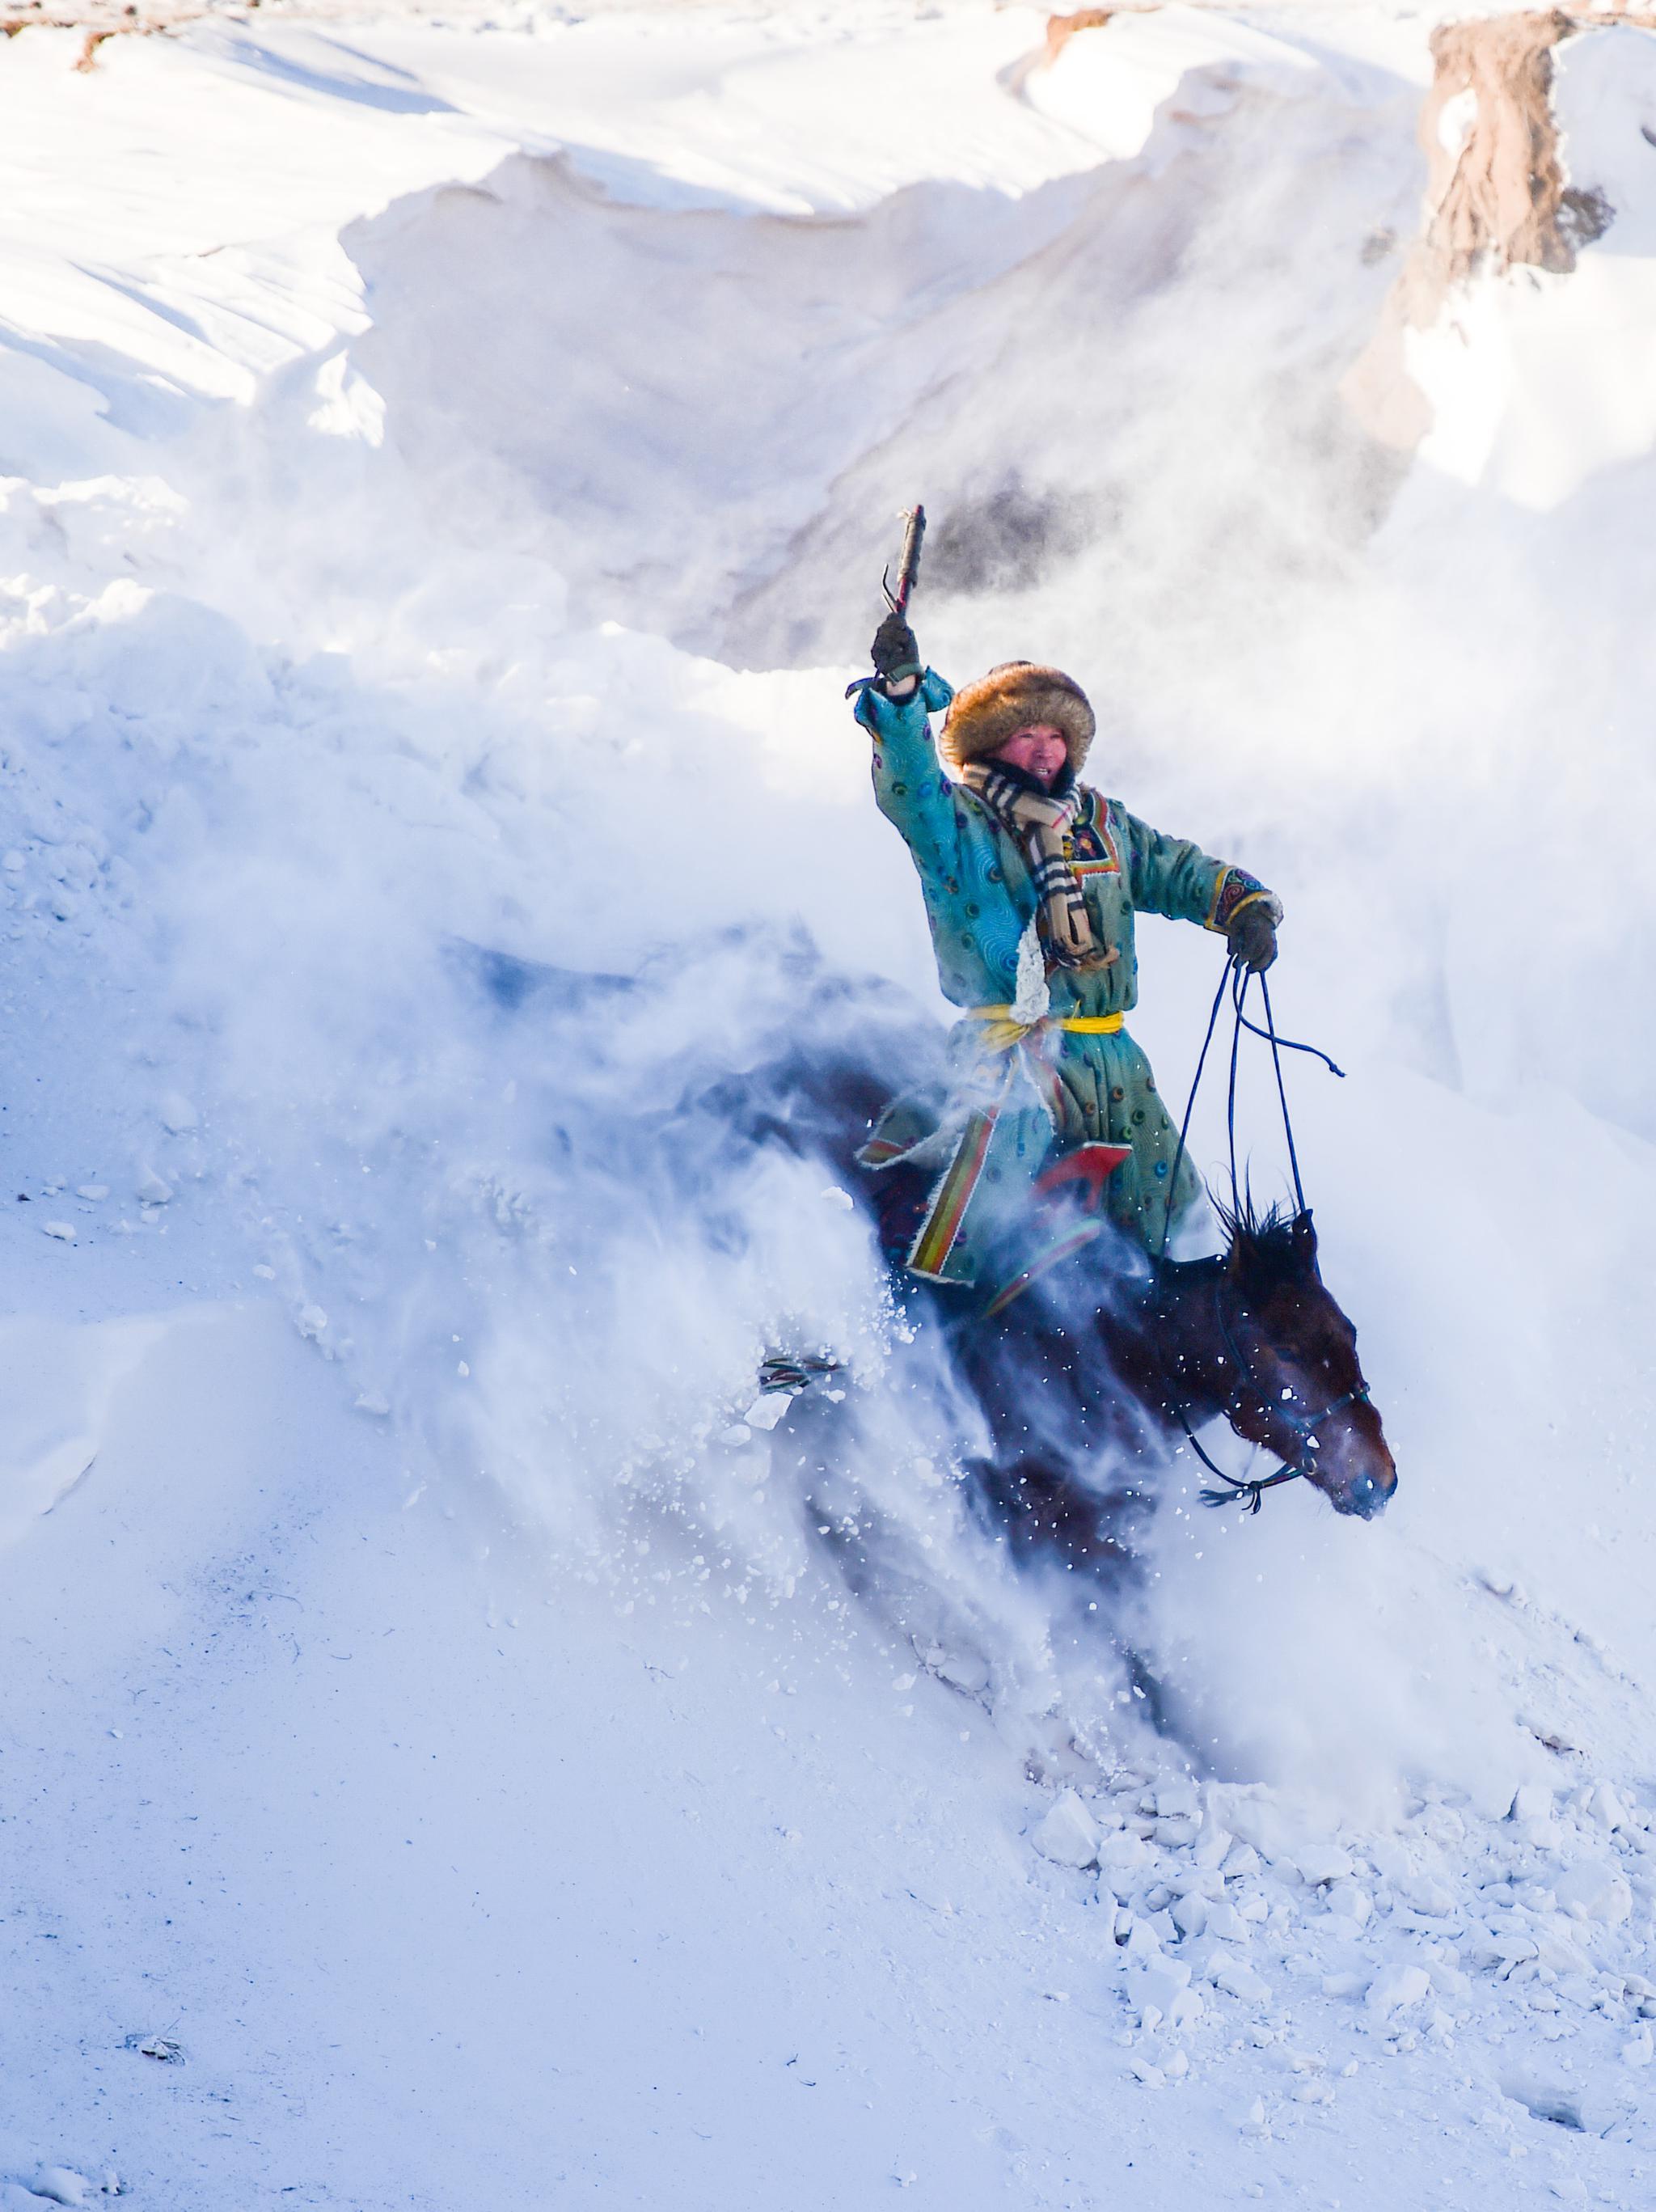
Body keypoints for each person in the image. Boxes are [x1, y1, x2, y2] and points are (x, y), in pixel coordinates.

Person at [851, 610, 1281, 1288]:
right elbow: (908, 789)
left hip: (1114, 1060)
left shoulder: (1103, 823)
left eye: (1057, 734)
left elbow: (1175, 869)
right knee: (975, 1221)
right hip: (1010, 1060)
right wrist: (902, 699)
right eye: (1026, 734)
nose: (1047, 749)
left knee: (1183, 1220)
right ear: (991, 745)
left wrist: (1244, 907)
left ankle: (1194, 1362)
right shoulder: (958, 823)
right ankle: (911, 1323)